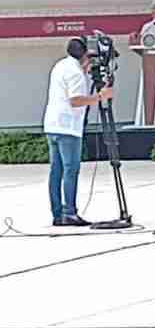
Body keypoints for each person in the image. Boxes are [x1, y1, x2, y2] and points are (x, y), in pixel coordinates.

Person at [43, 38, 113, 226]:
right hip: (68, 128)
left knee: (56, 171)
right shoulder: (76, 73)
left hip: (52, 125)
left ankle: (58, 214)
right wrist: (100, 96)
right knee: (70, 170)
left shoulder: (61, 65)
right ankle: (70, 212)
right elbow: (75, 100)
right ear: (84, 55)